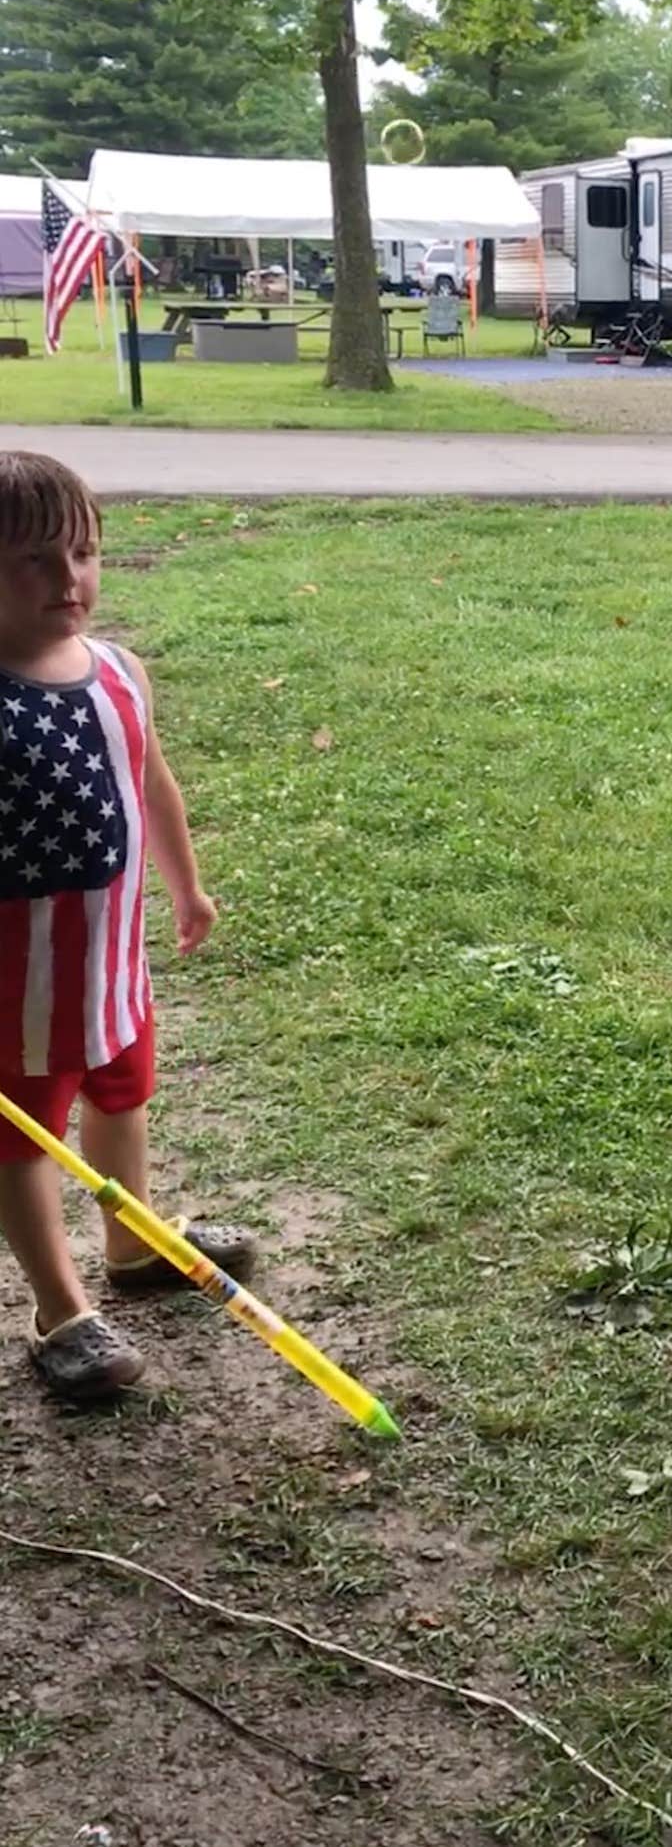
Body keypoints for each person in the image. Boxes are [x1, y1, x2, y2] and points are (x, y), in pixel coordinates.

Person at [0, 451, 256, 1403]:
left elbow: (150, 781)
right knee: (25, 1141)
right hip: (13, 987)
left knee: (121, 1092)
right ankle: (58, 1308)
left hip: (110, 962)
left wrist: (185, 887)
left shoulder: (118, 671)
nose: (67, 581)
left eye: (81, 553)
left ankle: (133, 1242)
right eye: (32, 561)